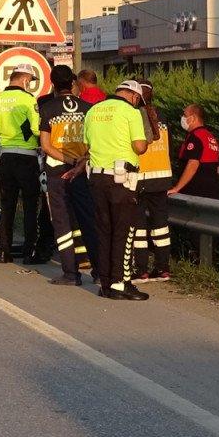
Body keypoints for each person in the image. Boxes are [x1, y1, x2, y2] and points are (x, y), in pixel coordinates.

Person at [83, 80, 150, 300]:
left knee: (104, 231)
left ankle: (106, 284)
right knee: (124, 232)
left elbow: (86, 145)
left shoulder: (93, 110)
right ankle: (121, 283)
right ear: (133, 96)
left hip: (97, 178)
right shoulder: (130, 112)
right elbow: (140, 146)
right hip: (121, 180)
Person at [37, 65, 99, 285]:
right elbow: (94, 142)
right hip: (83, 172)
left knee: (62, 222)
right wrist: (80, 161)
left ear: (53, 83)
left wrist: (69, 160)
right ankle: (100, 271)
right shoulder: (88, 108)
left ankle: (71, 273)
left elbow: (46, 145)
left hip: (57, 172)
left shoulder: (47, 108)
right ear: (73, 83)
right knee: (88, 220)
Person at [0, 63, 43, 264]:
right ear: (25, 79)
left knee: (7, 205)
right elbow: (37, 129)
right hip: (27, 157)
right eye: (31, 82)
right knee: (29, 206)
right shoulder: (28, 100)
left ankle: (3, 251)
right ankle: (29, 252)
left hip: (5, 158)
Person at [133, 80, 173, 283]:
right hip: (162, 177)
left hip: (140, 178)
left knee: (138, 226)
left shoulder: (134, 116)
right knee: (161, 226)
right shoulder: (163, 116)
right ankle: (163, 268)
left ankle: (141, 270)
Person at [169, 104, 219, 198]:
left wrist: (177, 188)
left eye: (185, 115)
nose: (183, 118)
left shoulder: (195, 137)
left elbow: (193, 164)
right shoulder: (210, 137)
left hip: (195, 192)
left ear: (193, 118)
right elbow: (217, 169)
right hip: (211, 192)